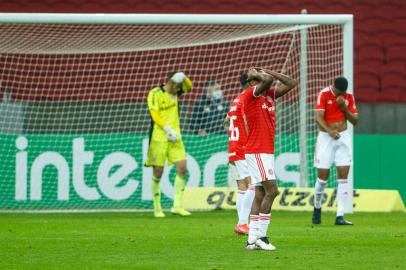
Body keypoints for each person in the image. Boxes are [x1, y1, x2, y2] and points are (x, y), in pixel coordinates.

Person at [240, 67, 297, 251]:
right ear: (252, 82)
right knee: (272, 191)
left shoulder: (269, 95)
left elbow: (291, 83)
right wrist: (257, 74)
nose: (264, 77)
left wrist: (268, 71)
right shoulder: (251, 94)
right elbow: (266, 81)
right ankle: (262, 237)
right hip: (258, 150)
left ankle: (252, 240)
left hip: (264, 151)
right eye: (258, 77)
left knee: (260, 193)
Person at [146, 71, 193, 218]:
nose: (179, 89)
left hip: (175, 137)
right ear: (170, 83)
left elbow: (189, 88)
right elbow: (154, 114)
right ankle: (157, 207)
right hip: (159, 137)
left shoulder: (177, 92)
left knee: (182, 167)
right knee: (158, 172)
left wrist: (184, 77)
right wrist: (167, 129)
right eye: (176, 85)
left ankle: (177, 206)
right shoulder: (154, 93)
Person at [312, 76, 358, 225]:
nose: (341, 95)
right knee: (322, 178)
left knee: (343, 176)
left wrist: (344, 107)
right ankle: (317, 208)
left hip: (343, 137)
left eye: (342, 93)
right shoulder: (323, 94)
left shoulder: (348, 97)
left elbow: (355, 121)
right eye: (339, 92)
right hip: (326, 138)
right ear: (334, 87)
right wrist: (330, 131)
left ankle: (340, 215)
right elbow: (318, 118)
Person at [224, 78, 255, 235]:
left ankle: (242, 223)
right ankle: (243, 223)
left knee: (242, 188)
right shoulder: (246, 99)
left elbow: (226, 121)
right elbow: (245, 119)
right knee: (253, 184)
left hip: (233, 146)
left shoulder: (236, 99)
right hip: (243, 147)